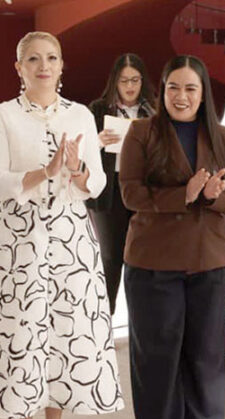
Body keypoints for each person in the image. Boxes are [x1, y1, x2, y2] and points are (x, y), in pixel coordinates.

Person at [0, 31, 124, 419]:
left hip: (71, 236)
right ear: (19, 67)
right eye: (33, 59)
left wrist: (77, 170)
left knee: (64, 337)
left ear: (61, 64)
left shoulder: (80, 115)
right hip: (19, 237)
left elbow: (96, 185)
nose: (43, 66)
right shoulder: (3, 115)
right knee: (21, 333)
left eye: (51, 57)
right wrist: (44, 172)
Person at [119, 55, 225, 419]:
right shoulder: (141, 132)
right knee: (157, 355)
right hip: (153, 262)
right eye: (174, 87)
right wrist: (185, 195)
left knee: (206, 354)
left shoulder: (221, 135)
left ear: (203, 93)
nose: (181, 96)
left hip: (208, 262)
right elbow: (130, 193)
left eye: (191, 88)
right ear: (162, 90)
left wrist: (210, 197)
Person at [87, 53, 157, 315]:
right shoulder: (98, 109)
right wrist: (98, 141)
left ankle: (142, 318)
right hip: (110, 188)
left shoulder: (153, 110)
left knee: (141, 255)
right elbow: (80, 150)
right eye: (124, 80)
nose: (130, 86)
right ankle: (105, 318)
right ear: (114, 81)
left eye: (135, 80)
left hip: (141, 187)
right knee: (111, 256)